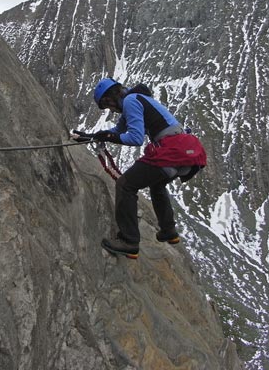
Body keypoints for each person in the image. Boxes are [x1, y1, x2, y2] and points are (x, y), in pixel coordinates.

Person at [72, 78, 207, 259]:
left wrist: (109, 137)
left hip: (170, 151)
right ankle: (168, 230)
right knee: (157, 185)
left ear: (113, 95)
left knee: (125, 185)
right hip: (184, 152)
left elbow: (134, 138)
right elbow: (118, 130)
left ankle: (129, 241)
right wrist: (91, 136)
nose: (110, 109)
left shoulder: (130, 101)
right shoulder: (137, 99)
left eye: (107, 103)